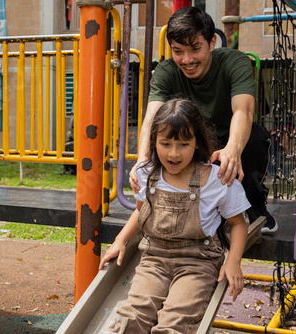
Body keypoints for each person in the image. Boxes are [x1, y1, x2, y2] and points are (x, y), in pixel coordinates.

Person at [99, 99, 249, 333]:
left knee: (174, 321)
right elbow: (141, 212)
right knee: (131, 314)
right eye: (165, 143)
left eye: (183, 144)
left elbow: (238, 224)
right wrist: (120, 240)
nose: (174, 153)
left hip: (197, 262)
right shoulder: (147, 173)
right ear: (154, 142)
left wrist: (233, 261)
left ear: (197, 142)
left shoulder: (216, 180)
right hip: (154, 259)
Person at [130, 6, 277, 233]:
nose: (187, 60)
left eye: (195, 49)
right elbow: (152, 117)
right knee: (170, 145)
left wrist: (232, 149)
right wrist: (142, 158)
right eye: (178, 51)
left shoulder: (234, 62)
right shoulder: (166, 71)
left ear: (211, 44)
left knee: (256, 137)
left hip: (229, 139)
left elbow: (243, 110)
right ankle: (185, 208)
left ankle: (255, 206)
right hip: (194, 144)